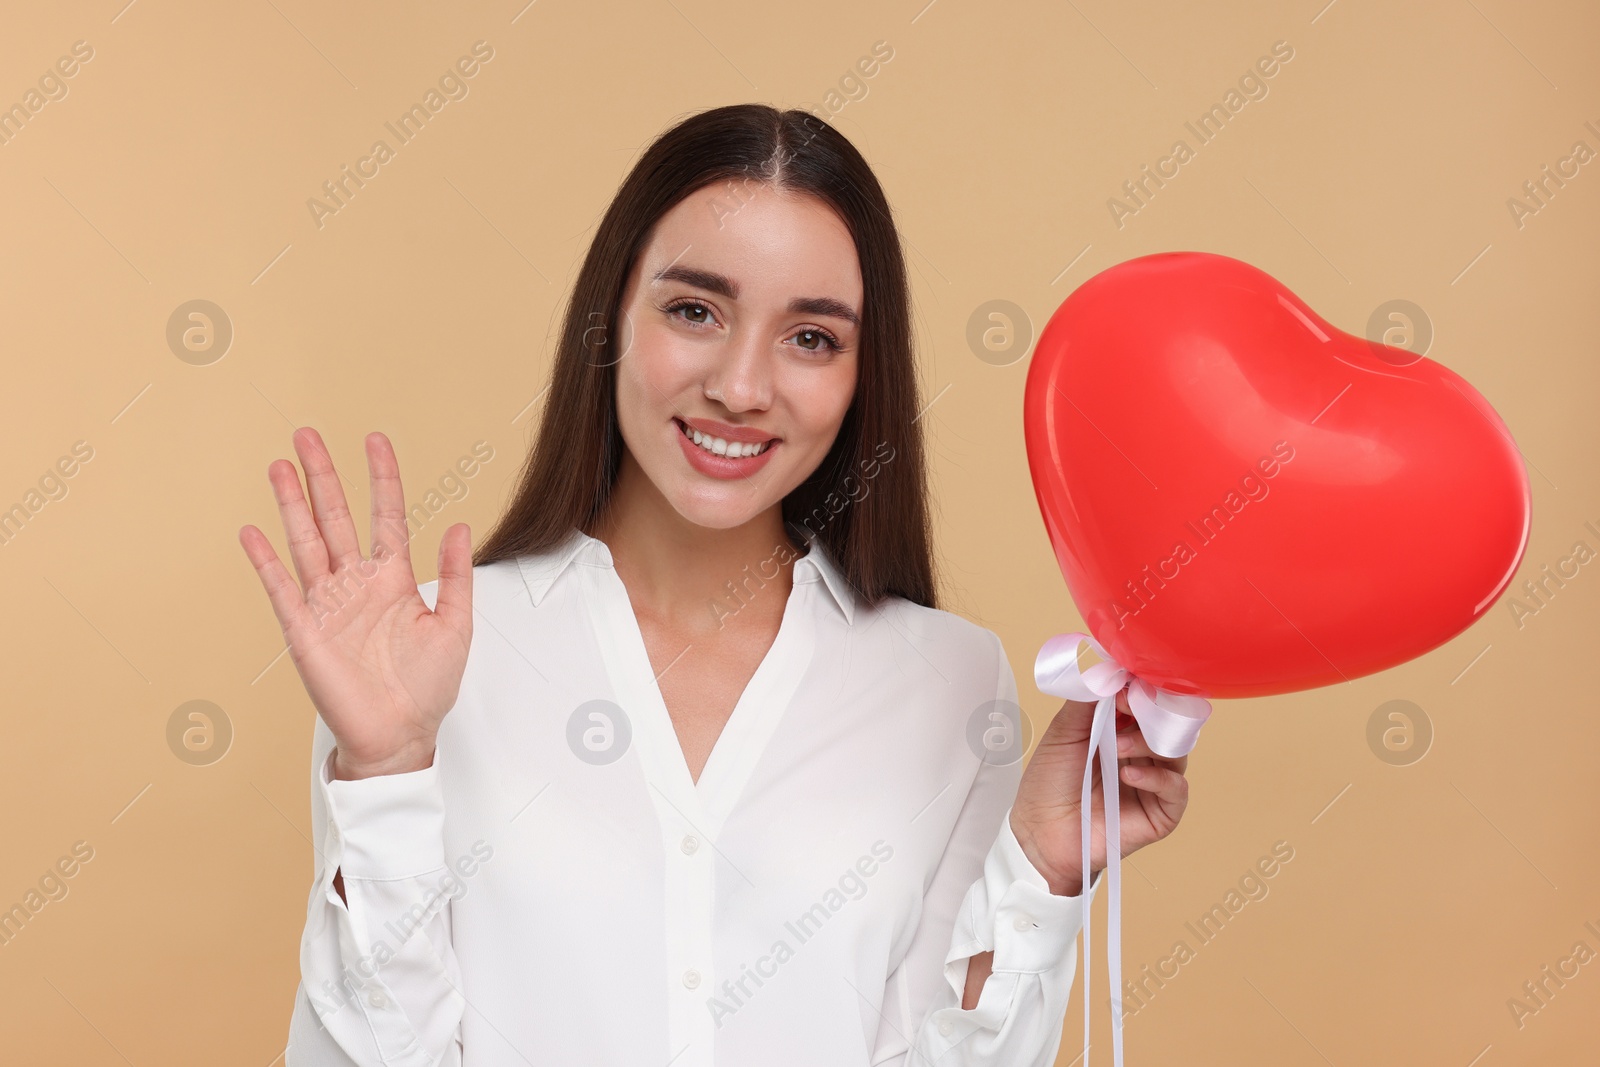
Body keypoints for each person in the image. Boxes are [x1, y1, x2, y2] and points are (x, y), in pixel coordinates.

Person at [239, 103, 1190, 1067]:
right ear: (611, 318)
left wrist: (1040, 869)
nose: (741, 386)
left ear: (866, 374)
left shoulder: (952, 681)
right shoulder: (429, 662)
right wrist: (385, 768)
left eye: (811, 337)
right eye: (695, 310)